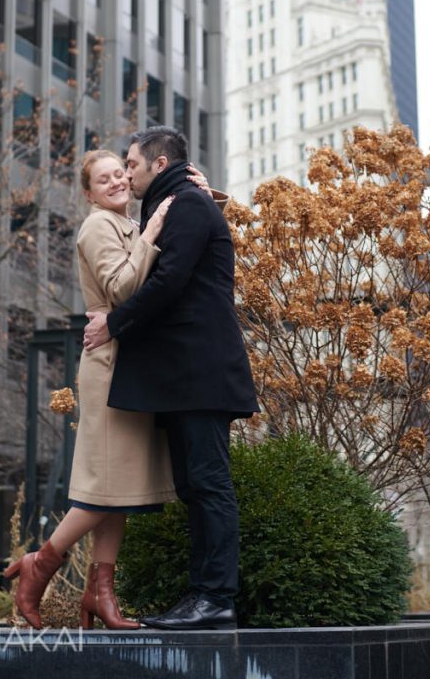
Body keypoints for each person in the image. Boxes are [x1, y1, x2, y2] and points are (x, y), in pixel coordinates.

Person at [5, 149, 217, 630]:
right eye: (104, 179)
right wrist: (154, 231)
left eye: (121, 173)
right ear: (89, 193)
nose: (118, 182)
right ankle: (40, 564)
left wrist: (200, 194)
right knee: (102, 490)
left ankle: (100, 594)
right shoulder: (99, 226)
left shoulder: (127, 223)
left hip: (132, 365)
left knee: (117, 489)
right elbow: (122, 289)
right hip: (109, 367)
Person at [84, 126, 259, 631]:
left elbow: (168, 281)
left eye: (132, 165)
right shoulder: (183, 203)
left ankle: (216, 597)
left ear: (159, 165)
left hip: (200, 373)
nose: (127, 174)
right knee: (195, 485)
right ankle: (203, 594)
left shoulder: (186, 205)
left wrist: (113, 323)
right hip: (187, 375)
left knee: (208, 484)